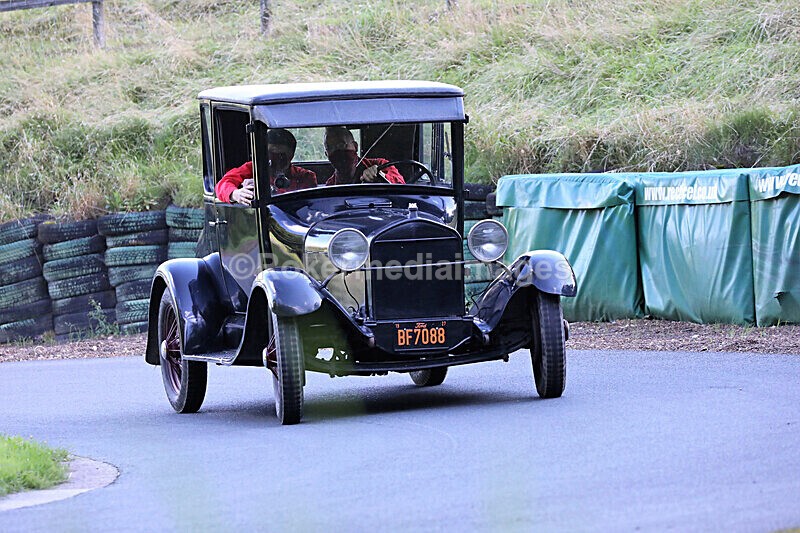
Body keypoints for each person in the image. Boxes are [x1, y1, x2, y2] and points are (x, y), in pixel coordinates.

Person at [215, 128, 316, 204]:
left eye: (281, 156)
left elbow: (306, 204)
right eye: (271, 154)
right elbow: (223, 184)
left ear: (291, 155)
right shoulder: (253, 169)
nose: (275, 160)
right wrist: (236, 194)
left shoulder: (305, 176)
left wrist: (270, 190)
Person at [323, 127, 405, 186]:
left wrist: (381, 177)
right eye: (330, 148)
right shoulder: (330, 185)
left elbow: (401, 185)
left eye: (341, 145)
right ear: (326, 154)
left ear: (355, 146)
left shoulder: (381, 164)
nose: (337, 151)